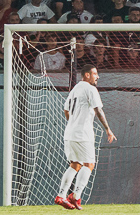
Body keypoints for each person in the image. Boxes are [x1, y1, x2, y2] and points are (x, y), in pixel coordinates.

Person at [57, 64, 116, 209]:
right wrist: (108, 129)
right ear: (87, 75)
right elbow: (98, 110)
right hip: (82, 134)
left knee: (75, 164)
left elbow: (66, 110)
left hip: (70, 133)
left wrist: (74, 123)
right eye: (95, 74)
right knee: (89, 164)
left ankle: (61, 195)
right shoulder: (90, 89)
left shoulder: (75, 89)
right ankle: (76, 196)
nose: (98, 77)